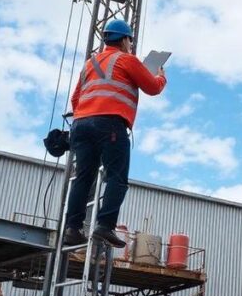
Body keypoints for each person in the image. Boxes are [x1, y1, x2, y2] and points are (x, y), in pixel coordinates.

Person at [63, 19, 166, 247]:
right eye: (130, 40)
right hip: (110, 124)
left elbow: (75, 99)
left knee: (83, 178)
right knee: (116, 178)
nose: (131, 45)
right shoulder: (127, 60)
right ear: (125, 39)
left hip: (80, 124)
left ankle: (72, 228)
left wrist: (87, 115)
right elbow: (153, 87)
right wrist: (161, 75)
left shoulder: (89, 64)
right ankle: (105, 226)